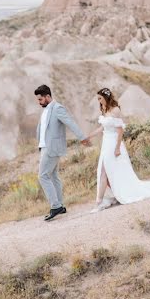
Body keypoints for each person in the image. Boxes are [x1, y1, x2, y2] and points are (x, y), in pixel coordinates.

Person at [87, 87, 150, 213]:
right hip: (106, 144)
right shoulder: (104, 110)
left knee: (104, 172)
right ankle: (108, 197)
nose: (99, 101)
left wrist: (117, 148)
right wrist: (89, 136)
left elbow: (120, 130)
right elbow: (102, 128)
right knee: (105, 171)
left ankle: (99, 202)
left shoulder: (116, 110)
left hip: (113, 144)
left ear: (105, 97)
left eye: (100, 98)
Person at [34, 85, 91, 221]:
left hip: (51, 148)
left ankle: (55, 206)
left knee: (43, 176)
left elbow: (70, 122)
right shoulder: (46, 109)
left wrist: (82, 137)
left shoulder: (57, 108)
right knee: (53, 175)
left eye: (41, 99)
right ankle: (61, 205)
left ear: (48, 97)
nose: (39, 102)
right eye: (38, 100)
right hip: (45, 147)